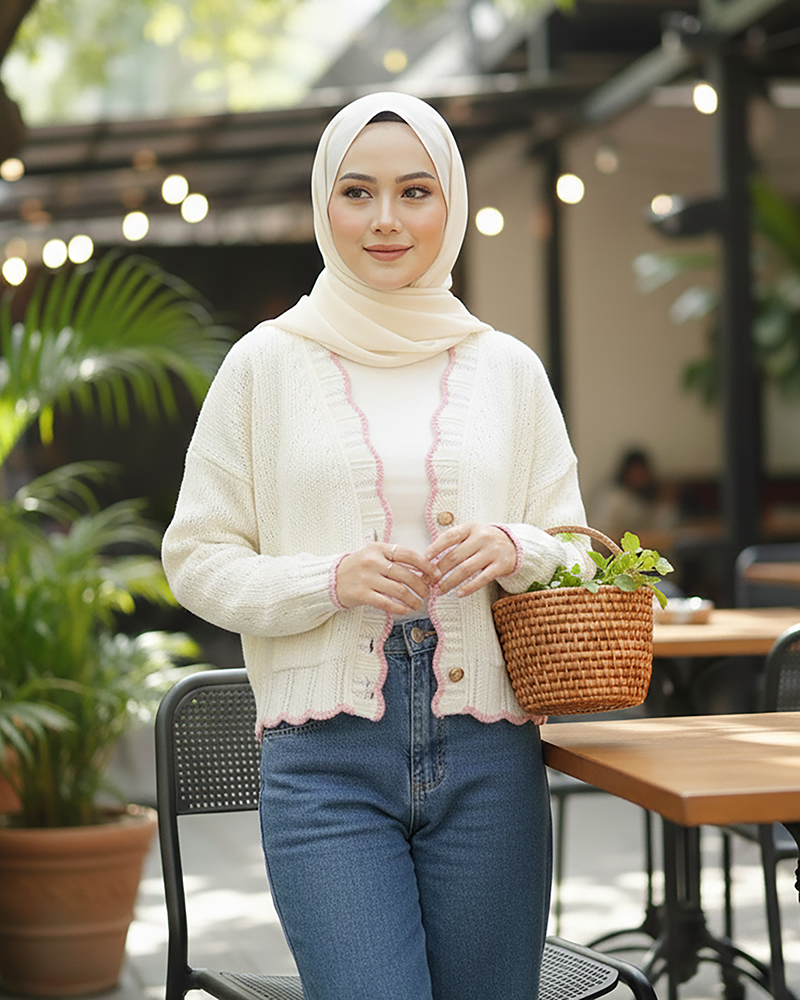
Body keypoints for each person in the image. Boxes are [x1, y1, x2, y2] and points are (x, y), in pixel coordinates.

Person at [162, 91, 593, 1000]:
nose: (386, 220)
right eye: (357, 192)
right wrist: (329, 578)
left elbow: (580, 551)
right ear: (324, 205)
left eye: (414, 191)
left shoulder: (506, 368)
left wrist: (518, 547)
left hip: (489, 749)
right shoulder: (265, 364)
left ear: (453, 204)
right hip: (324, 759)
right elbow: (195, 555)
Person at [589, 447, 679, 545]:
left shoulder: (649, 499)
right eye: (635, 472)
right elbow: (602, 534)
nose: (638, 477)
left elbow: (662, 532)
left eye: (641, 472)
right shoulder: (614, 499)